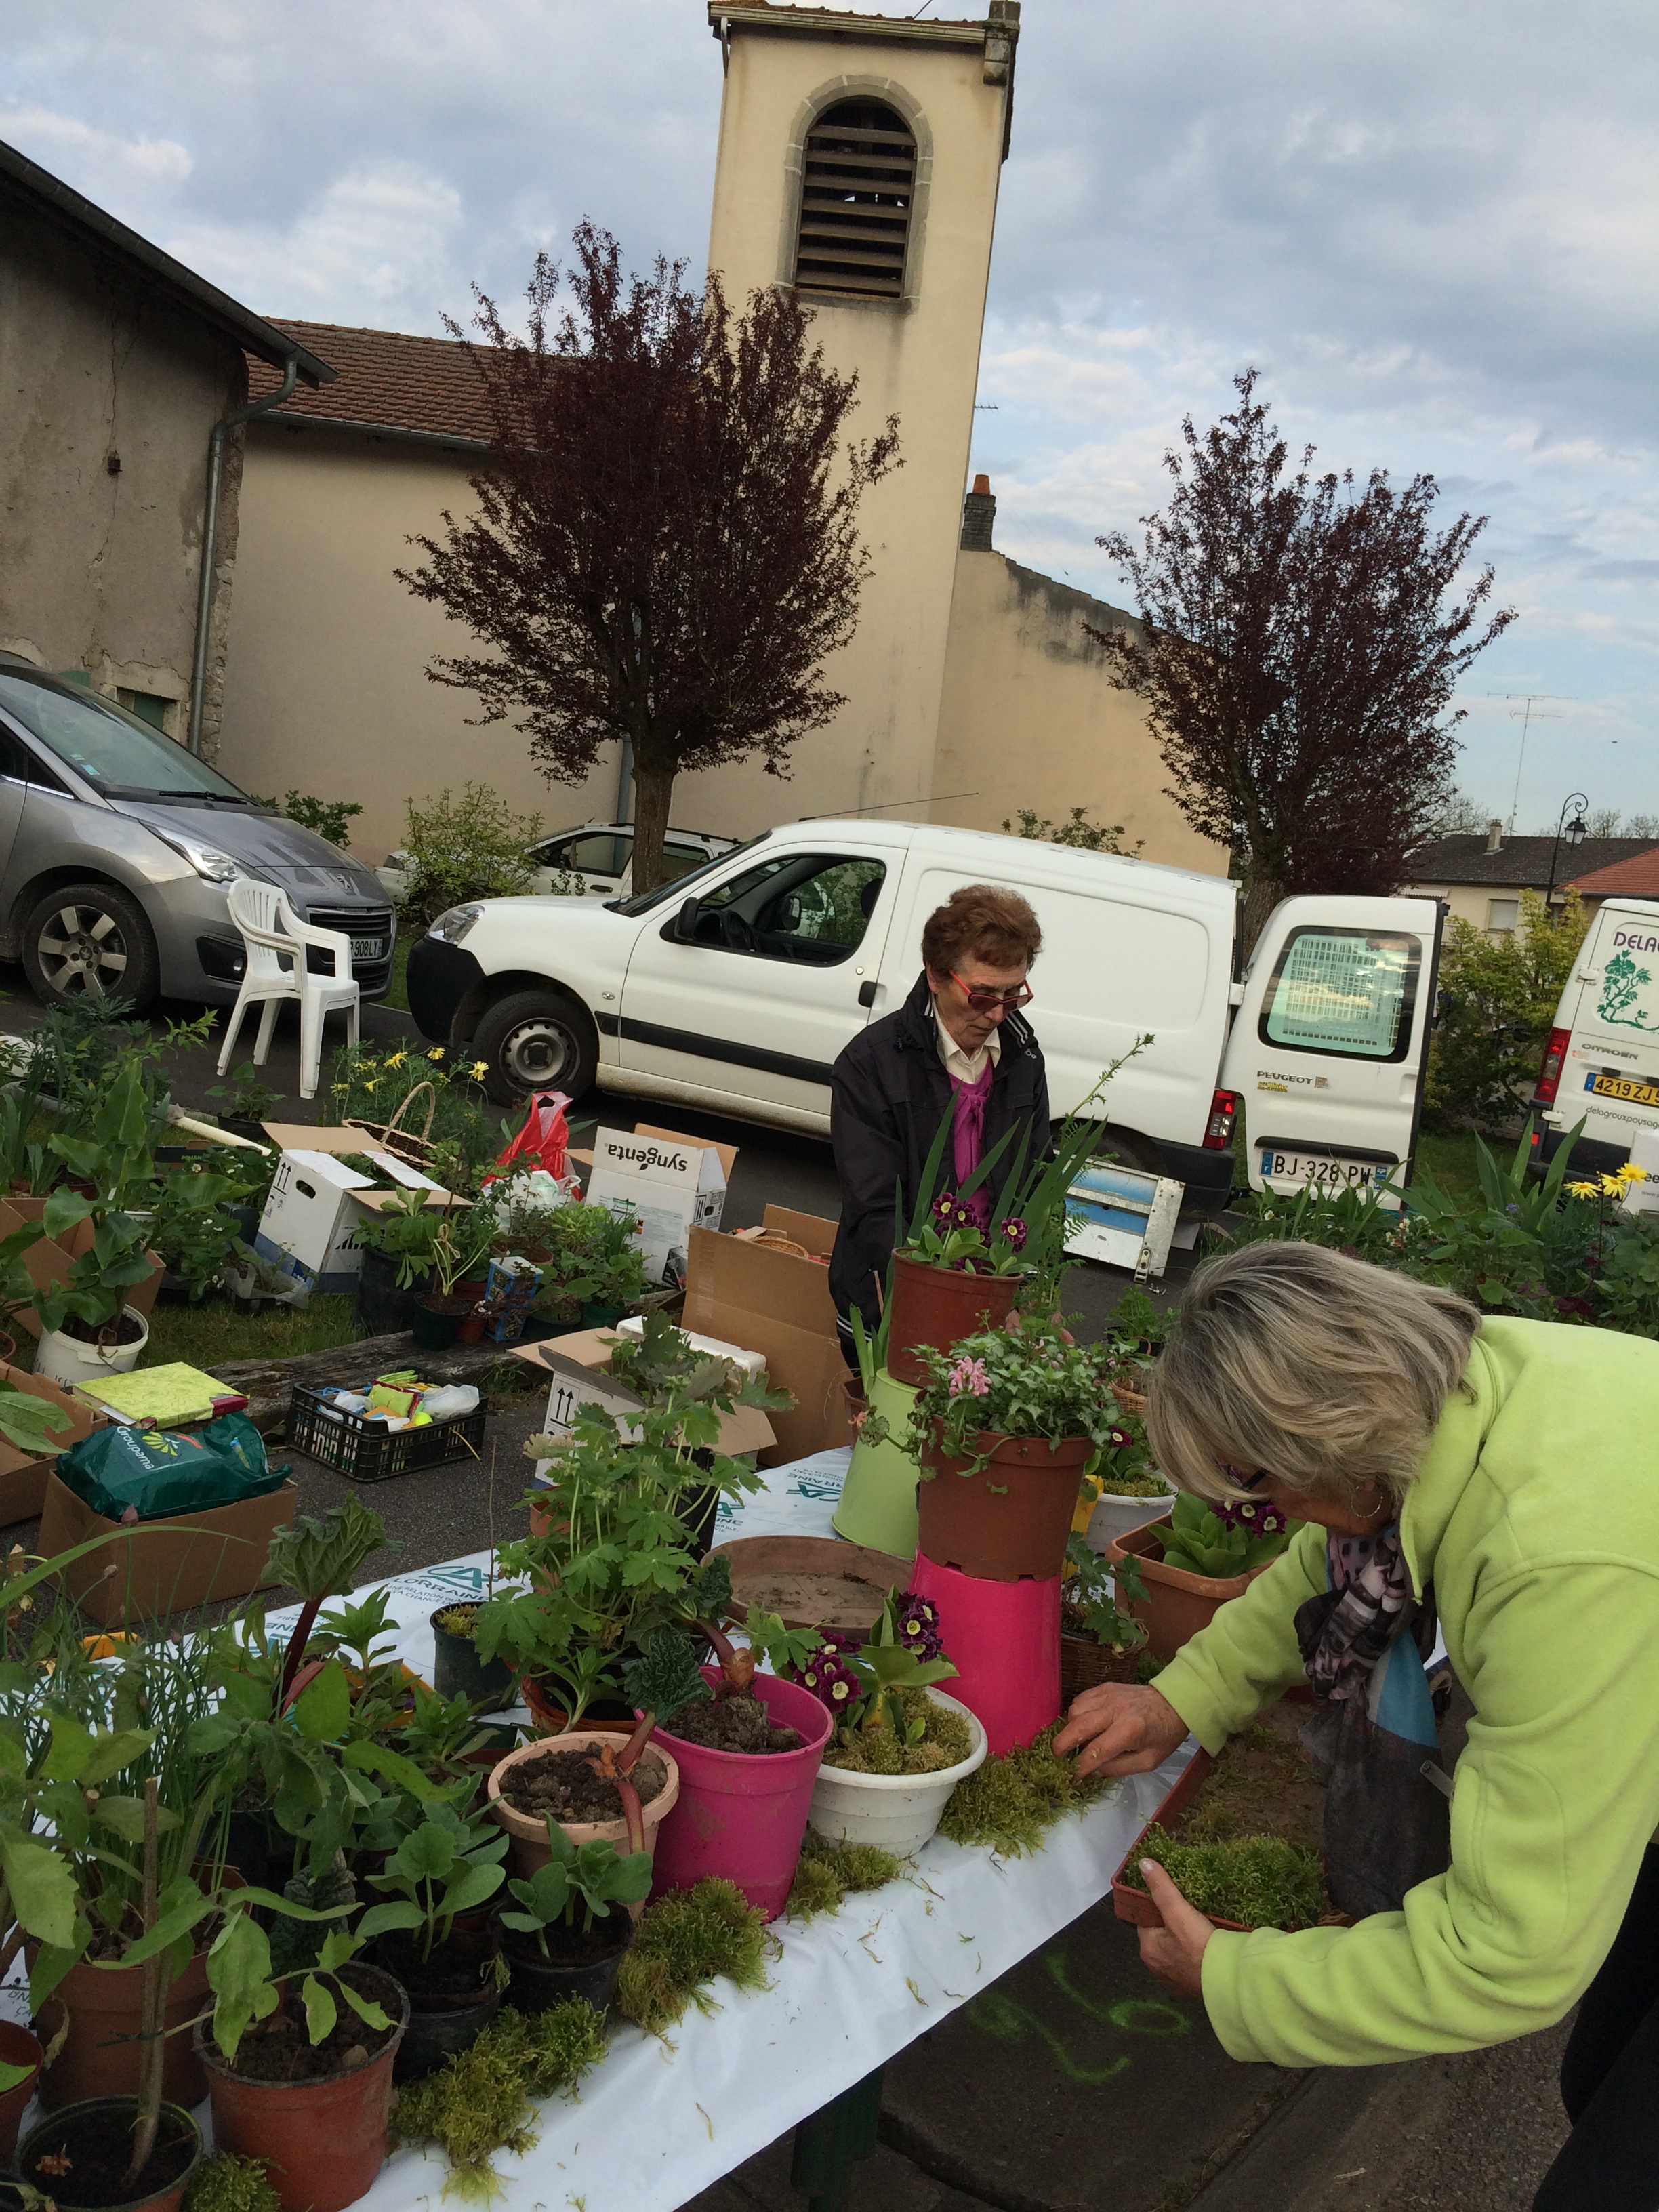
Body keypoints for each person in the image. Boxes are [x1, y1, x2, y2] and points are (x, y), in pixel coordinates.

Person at [1054, 1242, 1659, 2211]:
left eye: (1259, 1480)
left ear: (1335, 1438)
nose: (1265, 1510)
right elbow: (1328, 1563)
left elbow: (1513, 1955)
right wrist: (1182, 1697)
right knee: (1602, 2070)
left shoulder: (1554, 1569)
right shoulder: (1449, 1393)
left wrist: (1241, 1982)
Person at [827, 884, 1050, 1361]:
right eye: (982, 995)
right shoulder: (871, 1064)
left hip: (995, 1306)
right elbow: (874, 1208)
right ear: (934, 975)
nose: (997, 1014)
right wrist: (949, 1298)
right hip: (893, 1299)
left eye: (1013, 995)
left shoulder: (1024, 1060)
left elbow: (1035, 1184)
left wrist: (1023, 1292)